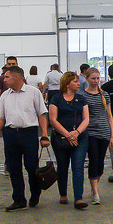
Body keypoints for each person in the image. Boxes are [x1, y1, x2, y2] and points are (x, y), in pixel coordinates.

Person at [0, 66, 49, 211]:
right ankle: (19, 199)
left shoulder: (33, 92)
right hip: (10, 134)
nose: (4, 80)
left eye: (7, 77)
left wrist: (44, 135)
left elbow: (42, 114)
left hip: (29, 134)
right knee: (14, 168)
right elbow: (0, 117)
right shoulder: (5, 95)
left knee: (31, 167)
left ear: (17, 77)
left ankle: (35, 193)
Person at [49, 71, 90, 209]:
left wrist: (77, 133)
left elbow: (86, 119)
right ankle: (63, 193)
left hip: (80, 137)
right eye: (75, 81)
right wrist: (67, 135)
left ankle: (78, 198)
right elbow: (53, 119)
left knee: (78, 166)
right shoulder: (56, 99)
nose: (79, 84)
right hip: (60, 138)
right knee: (62, 166)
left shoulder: (82, 99)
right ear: (67, 84)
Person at [79, 67, 113, 204]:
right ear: (87, 79)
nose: (96, 81)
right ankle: (95, 192)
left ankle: (95, 185)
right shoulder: (83, 96)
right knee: (93, 159)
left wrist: (112, 136)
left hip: (104, 132)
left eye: (98, 78)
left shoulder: (104, 94)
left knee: (100, 162)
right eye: (93, 78)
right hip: (90, 132)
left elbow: (109, 115)